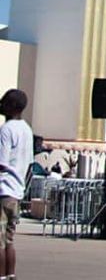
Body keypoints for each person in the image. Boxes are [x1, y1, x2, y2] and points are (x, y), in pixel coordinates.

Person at [0, 89, 33, 280]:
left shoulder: (6, 130)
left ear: (12, 107)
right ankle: (10, 276)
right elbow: (29, 163)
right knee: (9, 240)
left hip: (3, 190)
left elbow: (2, 162)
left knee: (0, 242)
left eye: (4, 103)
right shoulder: (26, 129)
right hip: (16, 192)